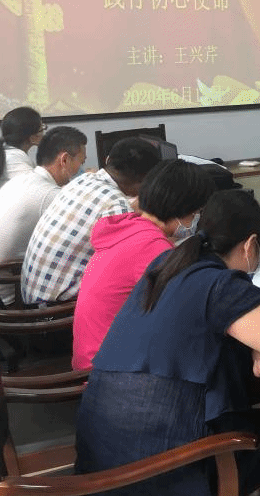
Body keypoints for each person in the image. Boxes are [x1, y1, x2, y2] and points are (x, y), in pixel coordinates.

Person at [69, 189, 260, 496]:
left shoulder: (167, 264)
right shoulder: (219, 285)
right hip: (160, 476)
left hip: (105, 460)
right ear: (250, 245)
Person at [72, 159, 217, 371]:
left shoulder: (131, 228)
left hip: (93, 359)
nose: (197, 219)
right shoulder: (152, 248)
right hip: (108, 373)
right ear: (182, 208)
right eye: (198, 212)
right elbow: (188, 312)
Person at [21, 137, 161, 304]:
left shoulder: (83, 180)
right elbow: (138, 255)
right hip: (57, 308)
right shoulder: (116, 207)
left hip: (34, 293)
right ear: (146, 180)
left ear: (108, 160)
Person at [0, 126, 88, 305]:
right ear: (64, 160)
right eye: (81, 162)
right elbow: (84, 238)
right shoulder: (49, 194)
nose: (81, 169)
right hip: (7, 297)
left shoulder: (23, 180)